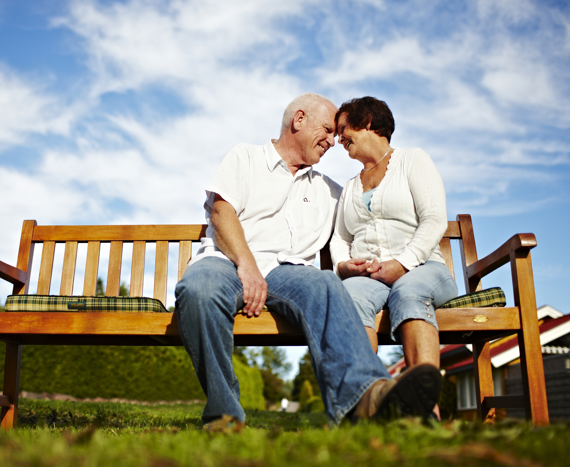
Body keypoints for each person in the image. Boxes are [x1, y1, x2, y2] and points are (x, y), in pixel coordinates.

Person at [175, 93, 442, 426]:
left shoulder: (332, 191)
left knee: (326, 283)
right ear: (298, 120)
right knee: (199, 291)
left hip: (290, 274)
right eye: (328, 130)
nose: (333, 141)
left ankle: (367, 399)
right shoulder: (245, 156)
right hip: (228, 261)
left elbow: (363, 225)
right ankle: (224, 413)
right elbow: (221, 211)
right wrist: (247, 267)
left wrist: (383, 261)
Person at [331, 96, 458, 391]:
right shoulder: (350, 186)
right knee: (348, 296)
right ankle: (367, 400)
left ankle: (426, 406)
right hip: (370, 278)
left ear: (368, 122)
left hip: (424, 270)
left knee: (409, 290)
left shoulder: (412, 160)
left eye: (342, 129)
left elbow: (434, 219)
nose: (338, 138)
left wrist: (402, 264)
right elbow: (340, 237)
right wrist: (343, 265)